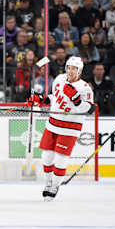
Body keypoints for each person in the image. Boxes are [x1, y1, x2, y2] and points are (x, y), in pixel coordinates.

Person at [28, 56, 95, 201]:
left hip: (70, 128)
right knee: (46, 157)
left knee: (60, 160)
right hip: (52, 124)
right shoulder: (59, 79)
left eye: (74, 69)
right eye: (69, 68)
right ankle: (48, 183)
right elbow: (54, 98)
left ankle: (55, 186)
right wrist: (42, 99)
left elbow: (88, 109)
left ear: (80, 71)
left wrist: (76, 98)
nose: (71, 71)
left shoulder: (85, 88)